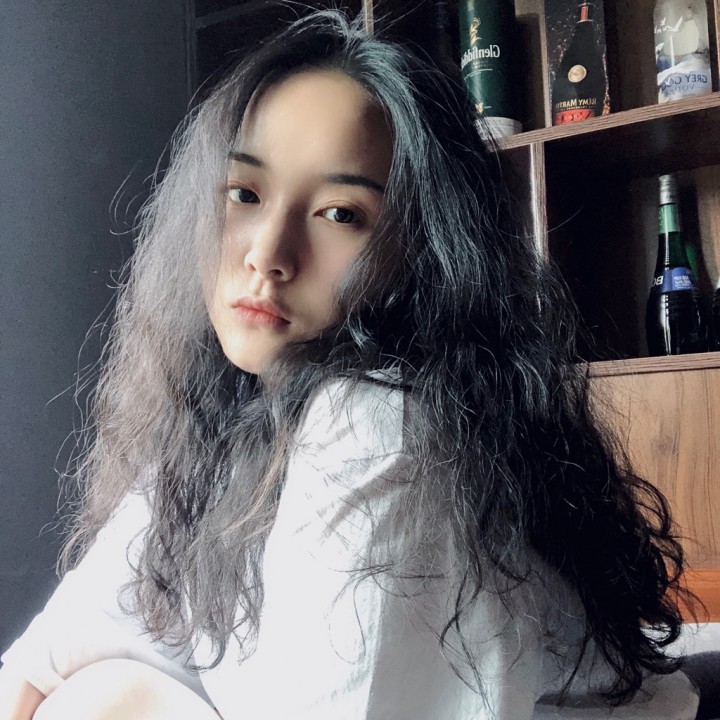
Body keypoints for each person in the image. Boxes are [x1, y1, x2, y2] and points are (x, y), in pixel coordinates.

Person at [0, 8, 703, 719]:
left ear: (420, 252)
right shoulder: (222, 421)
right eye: (245, 194)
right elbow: (48, 653)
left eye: (341, 214)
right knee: (102, 694)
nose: (267, 253)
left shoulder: (381, 427)